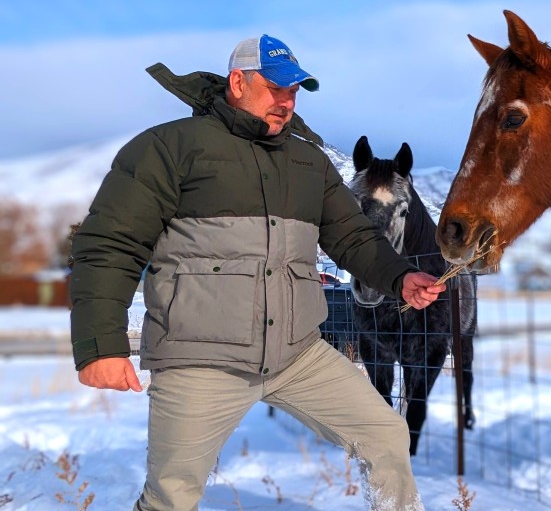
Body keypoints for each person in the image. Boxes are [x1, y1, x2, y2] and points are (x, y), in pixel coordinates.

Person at [69, 34, 444, 511]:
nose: (286, 102)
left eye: (294, 92)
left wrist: (399, 277)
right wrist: (100, 346)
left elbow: (353, 237)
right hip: (200, 358)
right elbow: (110, 244)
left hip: (298, 356)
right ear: (238, 81)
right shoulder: (168, 149)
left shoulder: (309, 163)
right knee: (172, 494)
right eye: (276, 88)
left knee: (386, 433)